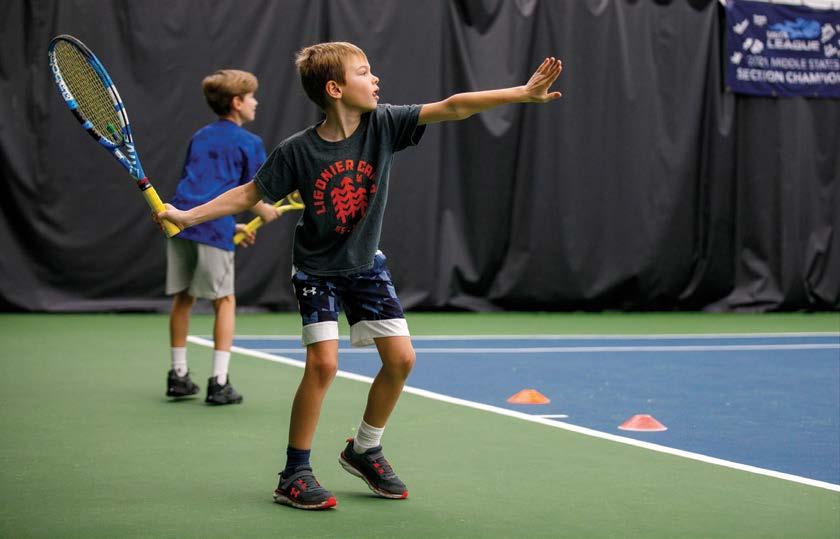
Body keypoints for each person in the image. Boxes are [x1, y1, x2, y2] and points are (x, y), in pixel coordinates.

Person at [157, 42, 562, 509]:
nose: (376, 80)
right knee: (323, 365)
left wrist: (521, 93)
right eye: (364, 72)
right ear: (335, 89)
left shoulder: (384, 124)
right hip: (317, 270)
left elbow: (454, 107)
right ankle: (294, 473)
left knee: (401, 360)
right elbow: (249, 194)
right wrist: (186, 216)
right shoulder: (298, 151)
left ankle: (365, 449)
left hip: (366, 264)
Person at [163, 69, 279, 405]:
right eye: (251, 97)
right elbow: (252, 194)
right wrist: (265, 212)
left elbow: (200, 187)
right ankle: (219, 382)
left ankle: (178, 376)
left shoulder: (199, 136)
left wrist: (233, 226)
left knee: (183, 298)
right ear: (237, 102)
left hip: (181, 223)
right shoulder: (250, 143)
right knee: (225, 301)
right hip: (210, 229)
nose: (256, 102)